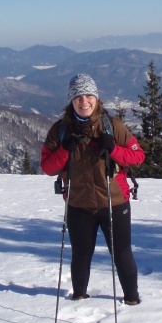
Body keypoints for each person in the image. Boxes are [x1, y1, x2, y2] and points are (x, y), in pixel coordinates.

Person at [40, 73, 145, 305]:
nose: (84, 101)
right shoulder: (60, 131)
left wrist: (114, 149)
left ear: (96, 98)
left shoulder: (113, 126)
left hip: (114, 202)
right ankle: (78, 297)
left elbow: (138, 157)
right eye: (78, 96)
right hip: (79, 203)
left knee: (122, 254)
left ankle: (132, 299)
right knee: (81, 255)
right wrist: (65, 150)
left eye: (89, 95)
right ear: (71, 100)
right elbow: (48, 167)